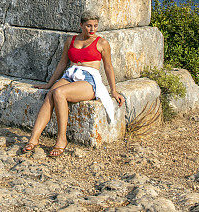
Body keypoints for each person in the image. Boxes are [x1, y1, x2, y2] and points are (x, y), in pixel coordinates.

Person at [22, 9, 125, 157]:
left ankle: (61, 139)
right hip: (70, 75)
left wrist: (114, 90)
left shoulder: (102, 43)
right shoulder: (71, 40)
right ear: (81, 25)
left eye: (95, 26)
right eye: (89, 25)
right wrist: (49, 84)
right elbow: (63, 63)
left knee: (59, 93)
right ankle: (34, 138)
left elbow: (108, 67)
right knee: (50, 94)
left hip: (89, 79)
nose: (92, 29)